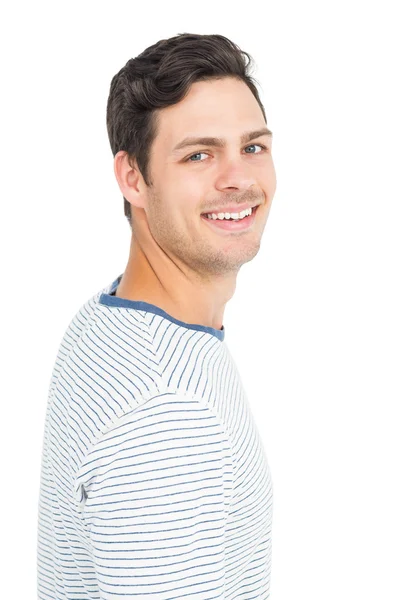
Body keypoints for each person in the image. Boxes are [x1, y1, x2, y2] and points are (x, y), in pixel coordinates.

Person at [37, 32, 277, 600]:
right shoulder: (168, 417)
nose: (237, 178)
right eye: (198, 154)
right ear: (133, 178)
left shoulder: (109, 317)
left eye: (253, 146)